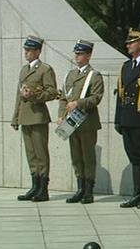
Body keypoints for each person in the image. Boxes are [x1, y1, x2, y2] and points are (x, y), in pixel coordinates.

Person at [11, 35, 58, 202]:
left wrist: (34, 95)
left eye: (30, 50)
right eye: (26, 50)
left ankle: (43, 188)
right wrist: (15, 117)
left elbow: (52, 92)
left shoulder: (45, 69)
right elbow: (19, 94)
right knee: (31, 154)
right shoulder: (24, 70)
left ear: (38, 51)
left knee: (40, 153)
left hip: (38, 116)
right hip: (25, 116)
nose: (27, 53)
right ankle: (35, 185)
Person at [58, 40, 104, 204]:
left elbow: (96, 98)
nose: (77, 56)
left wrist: (79, 103)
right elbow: (63, 97)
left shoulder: (94, 76)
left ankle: (88, 191)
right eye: (76, 53)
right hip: (71, 122)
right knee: (76, 156)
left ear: (88, 55)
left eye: (81, 53)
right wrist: (61, 114)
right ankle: (80, 188)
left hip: (87, 122)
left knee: (87, 156)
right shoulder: (70, 75)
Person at [115, 29, 140, 209]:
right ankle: (137, 193)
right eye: (128, 42)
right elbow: (120, 94)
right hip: (127, 117)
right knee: (133, 157)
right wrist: (118, 119)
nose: (128, 45)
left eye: (132, 42)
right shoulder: (126, 66)